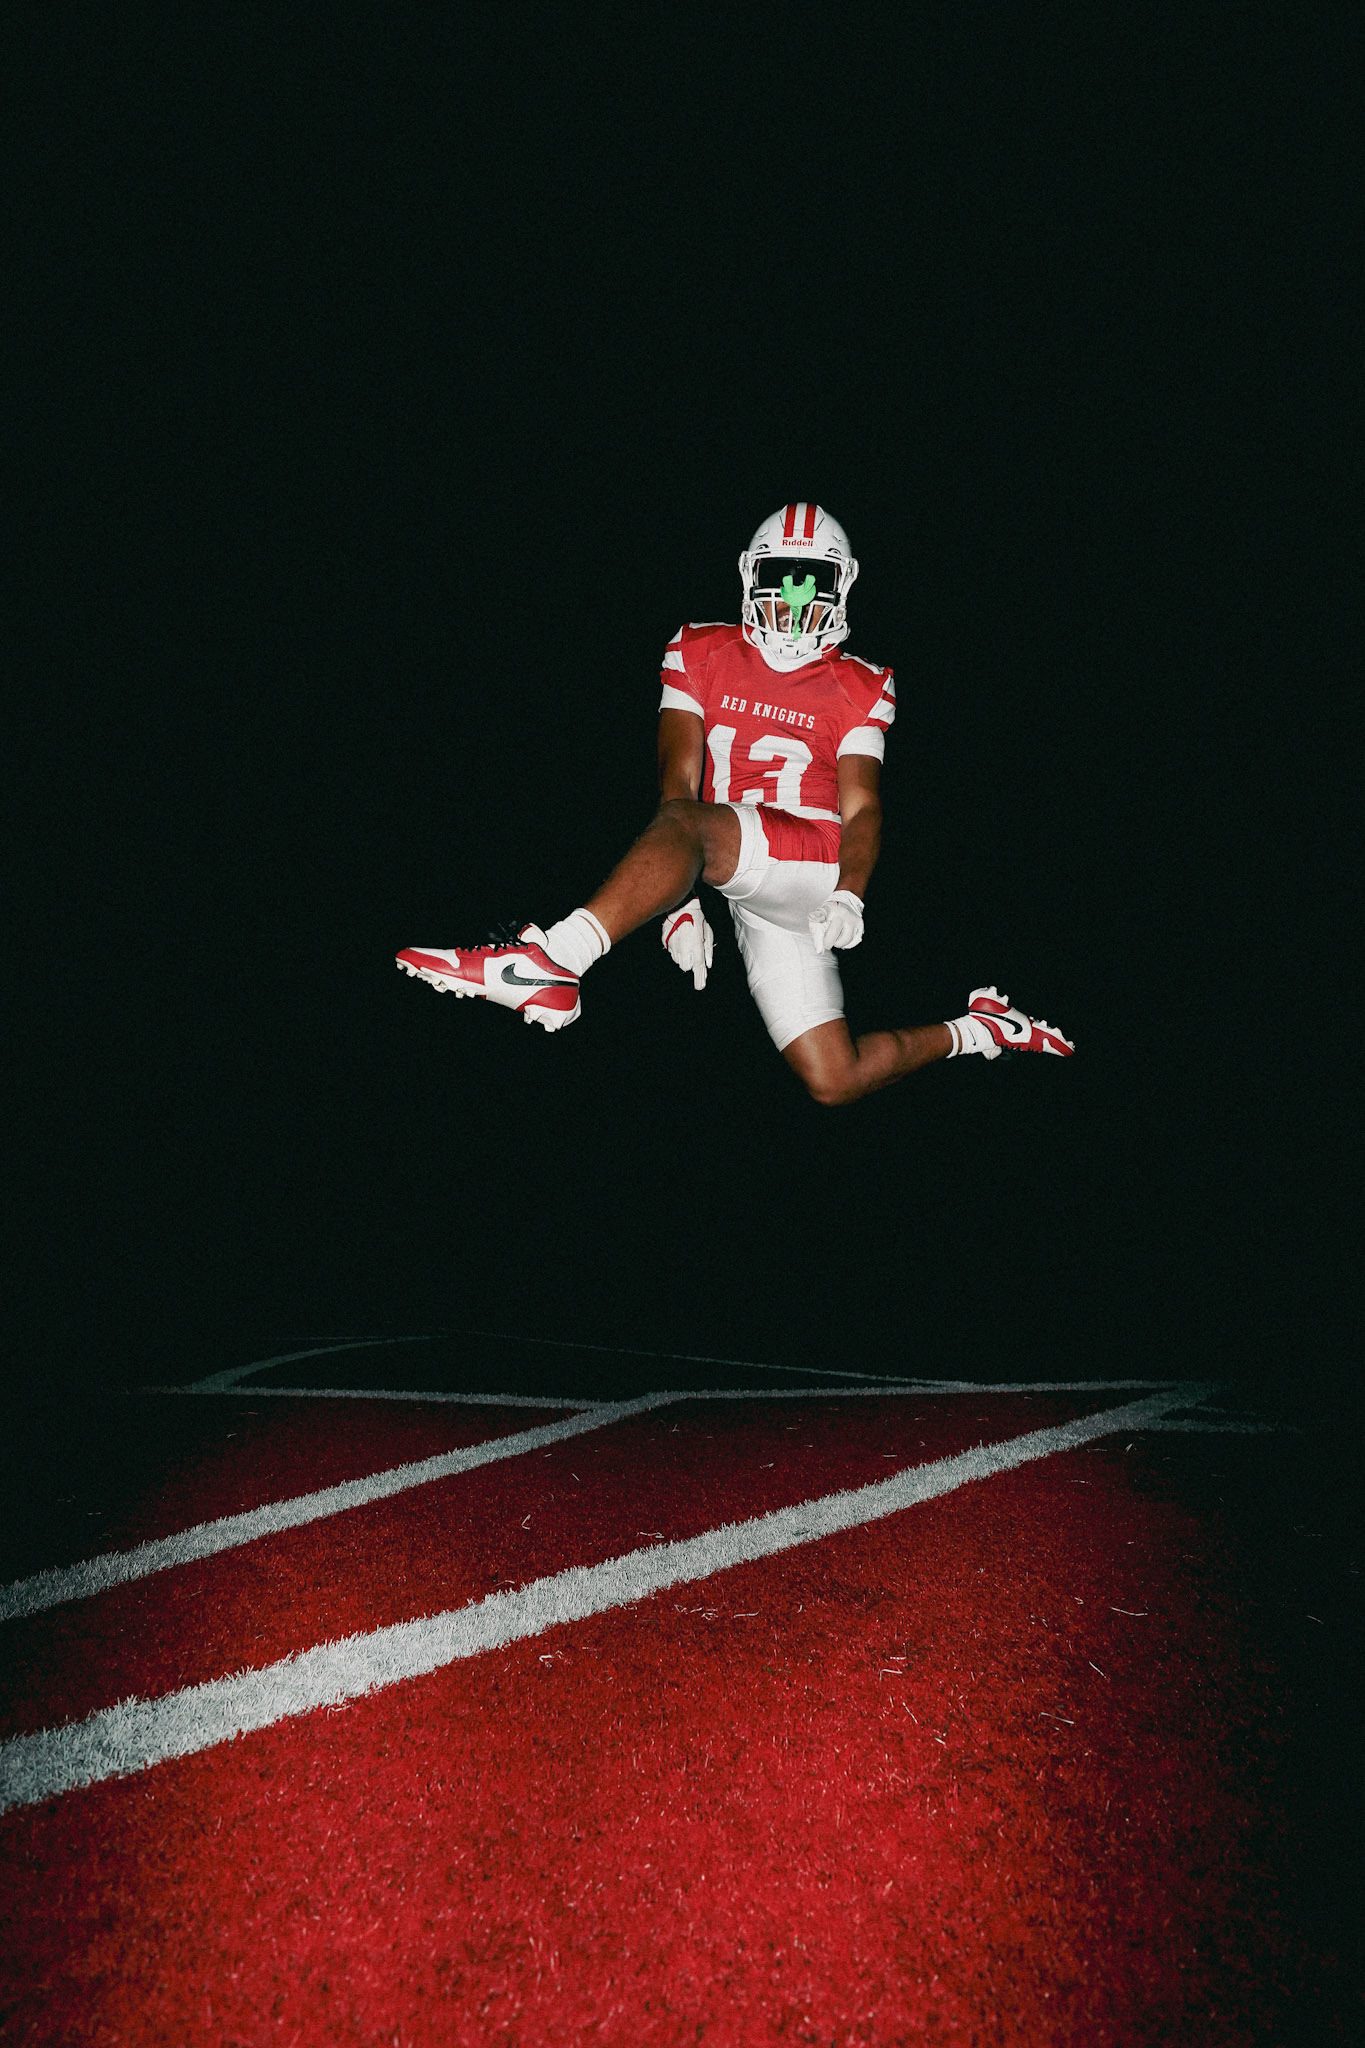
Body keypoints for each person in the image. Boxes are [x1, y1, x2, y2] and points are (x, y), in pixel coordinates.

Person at [397, 503, 1073, 1105]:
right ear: (751, 574)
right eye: (782, 575)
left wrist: (851, 893)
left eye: (813, 580)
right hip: (747, 877)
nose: (795, 596)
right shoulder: (699, 650)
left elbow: (862, 808)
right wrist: (678, 902)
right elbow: (678, 787)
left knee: (692, 828)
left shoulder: (859, 685)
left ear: (843, 586)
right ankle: (983, 1029)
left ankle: (554, 960)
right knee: (834, 1078)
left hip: (815, 862)